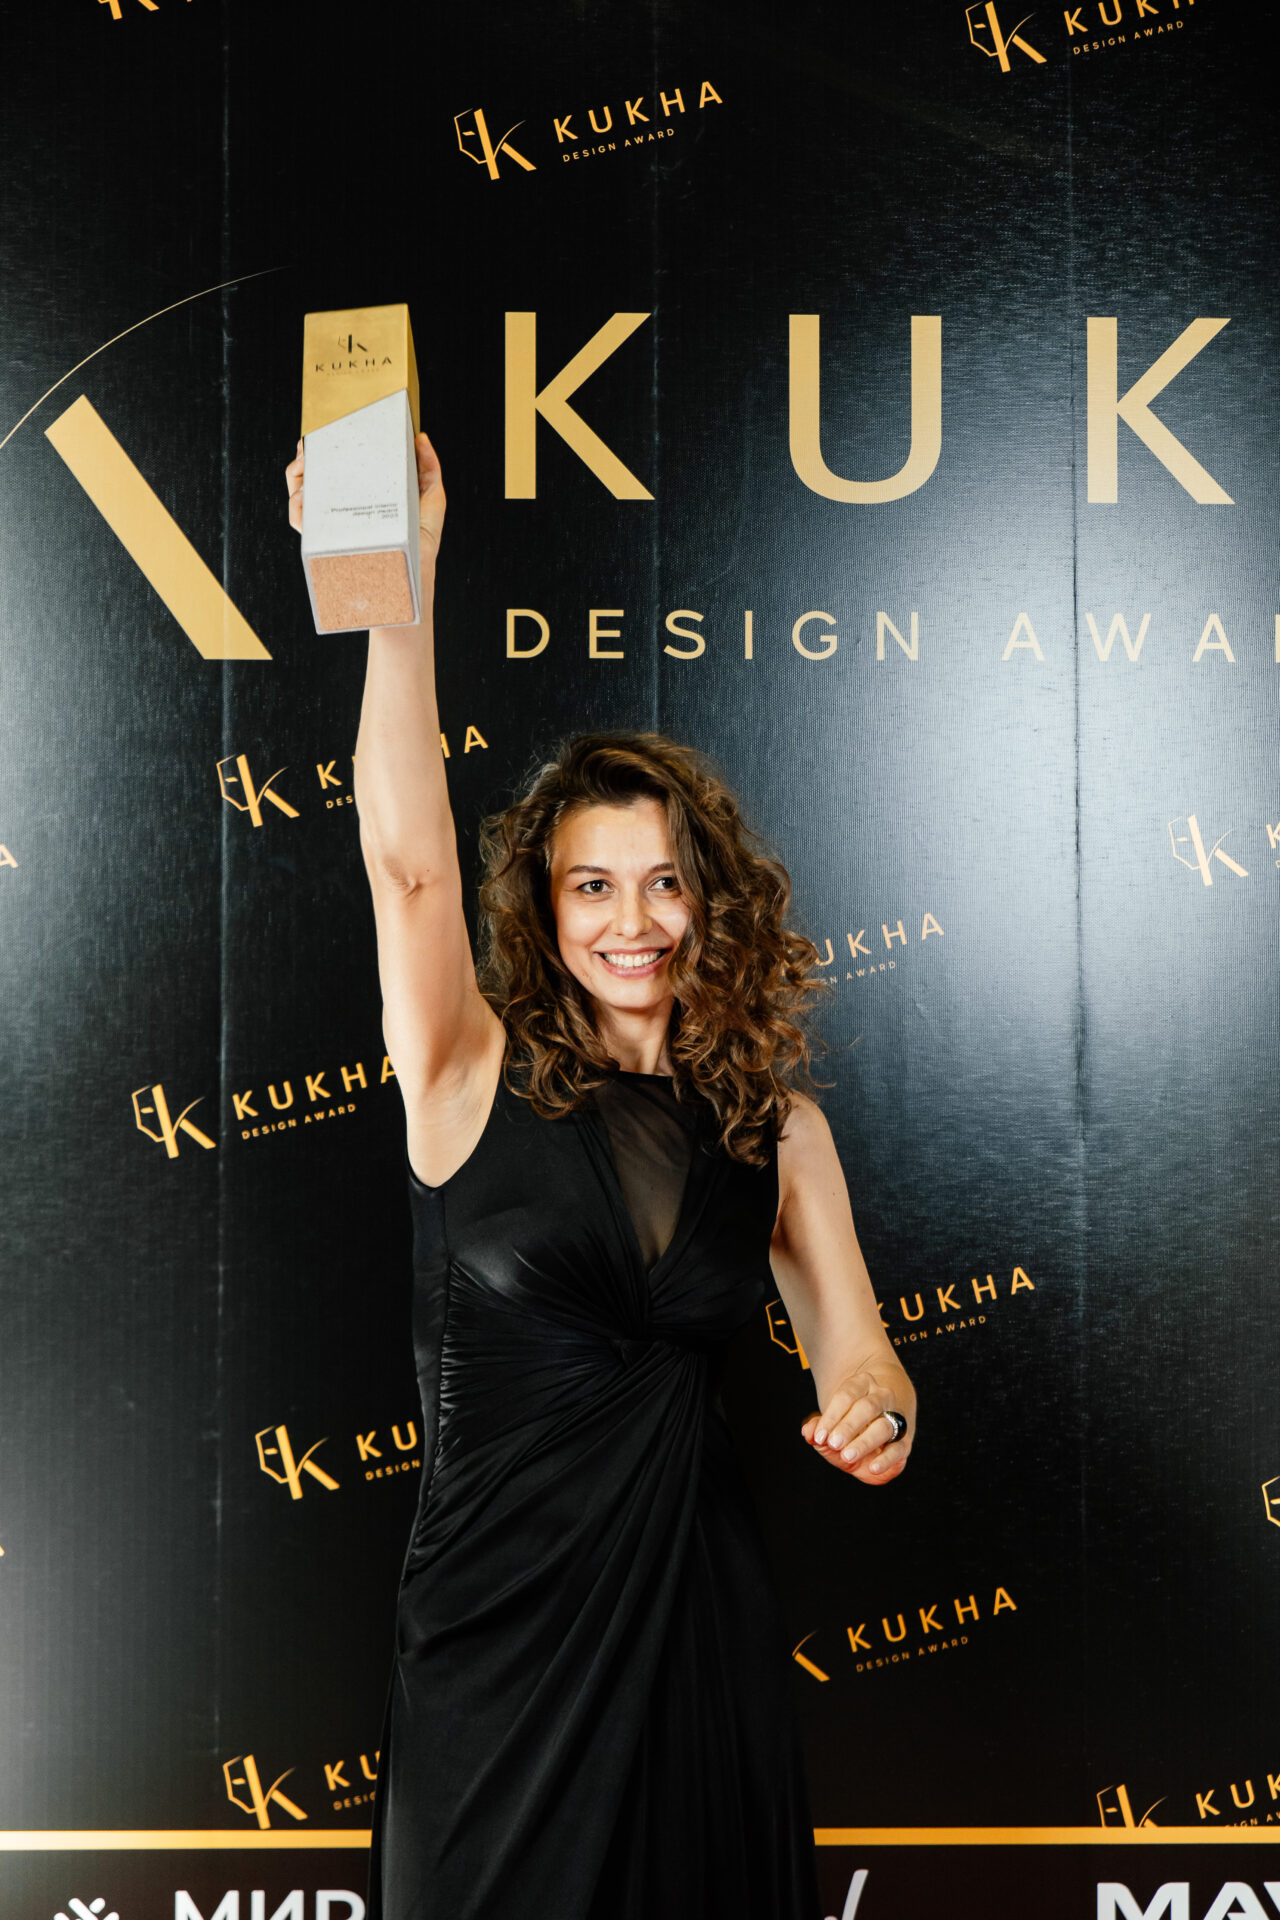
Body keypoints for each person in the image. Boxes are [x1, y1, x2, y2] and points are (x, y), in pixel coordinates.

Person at [285, 430, 916, 1920]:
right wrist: (397, 589)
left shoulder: (777, 1128)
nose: (632, 922)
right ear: (546, 907)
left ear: (710, 900)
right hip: (492, 1649)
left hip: (698, 1626)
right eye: (592, 886)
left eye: (664, 881)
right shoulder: (461, 1068)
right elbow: (407, 864)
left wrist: (878, 1415)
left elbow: (864, 1355)